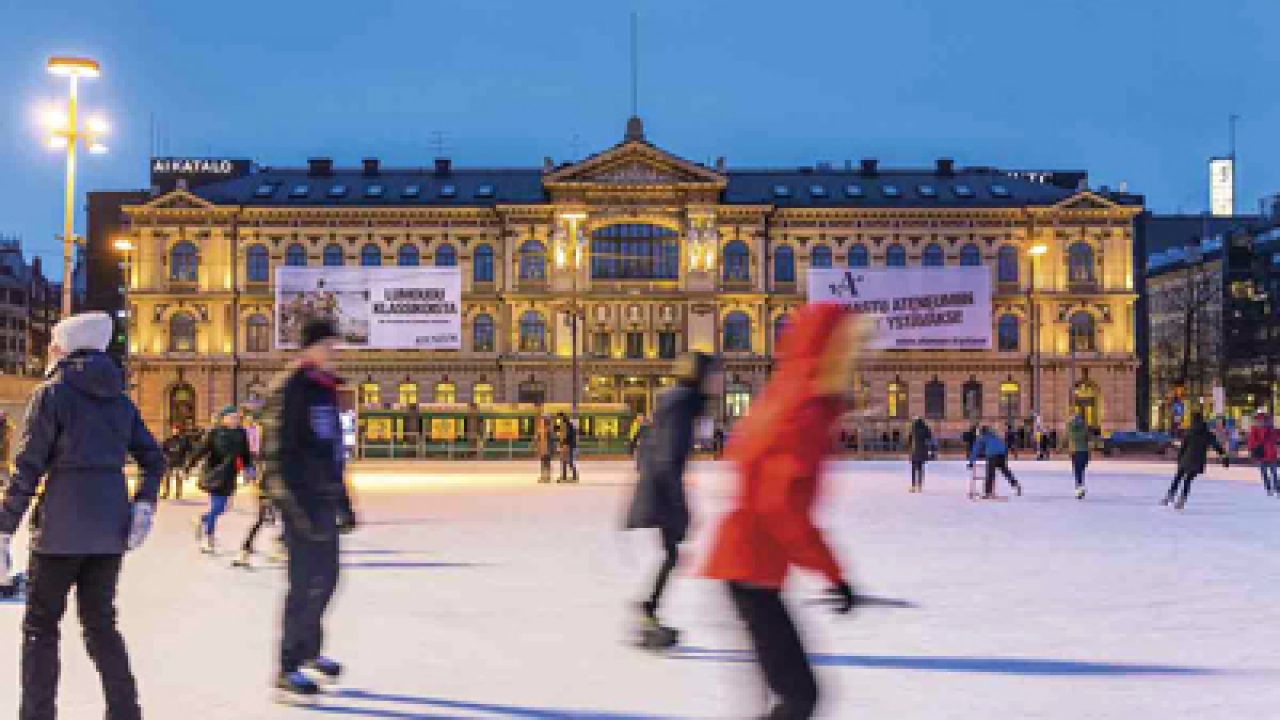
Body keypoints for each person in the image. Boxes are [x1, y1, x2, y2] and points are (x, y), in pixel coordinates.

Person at [704, 304, 867, 720]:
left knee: (788, 695)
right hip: (750, 566)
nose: (856, 359)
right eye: (850, 348)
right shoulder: (804, 412)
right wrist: (833, 574)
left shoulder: (788, 396)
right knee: (798, 697)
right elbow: (782, 507)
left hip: (748, 565)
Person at [0, 311, 165, 720]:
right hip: (109, 530)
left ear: (64, 347)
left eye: (54, 343)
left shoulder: (52, 394)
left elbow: (28, 468)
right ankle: (125, 712)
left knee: (41, 628)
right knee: (101, 624)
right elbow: (153, 458)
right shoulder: (120, 401)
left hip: (59, 531)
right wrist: (143, 503)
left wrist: (4, 528)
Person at [261, 317, 358, 699]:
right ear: (311, 347)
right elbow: (276, 453)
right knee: (304, 584)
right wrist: (291, 504)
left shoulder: (324, 388)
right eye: (328, 345)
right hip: (300, 500)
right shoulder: (291, 388)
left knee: (328, 579)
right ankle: (287, 667)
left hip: (323, 499)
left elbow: (331, 450)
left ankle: (310, 651)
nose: (334, 352)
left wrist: (343, 501)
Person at [625, 352, 715, 649]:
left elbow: (651, 453)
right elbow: (668, 459)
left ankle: (648, 611)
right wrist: (678, 506)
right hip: (661, 492)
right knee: (672, 555)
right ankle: (647, 612)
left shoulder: (674, 403)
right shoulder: (682, 406)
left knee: (671, 555)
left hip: (656, 489)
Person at [187, 406, 254, 554]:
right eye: (232, 417)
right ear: (224, 419)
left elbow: (245, 453)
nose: (235, 420)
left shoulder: (241, 433)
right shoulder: (214, 433)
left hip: (230, 474)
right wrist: (189, 465)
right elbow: (201, 450)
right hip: (215, 474)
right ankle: (208, 538)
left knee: (224, 508)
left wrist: (249, 468)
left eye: (237, 417)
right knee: (217, 507)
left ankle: (202, 519)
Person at [1164, 412, 1228, 510]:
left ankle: (1170, 495)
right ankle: (1182, 500)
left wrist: (1179, 459)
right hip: (1198, 461)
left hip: (1186, 459)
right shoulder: (1207, 433)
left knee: (1178, 477)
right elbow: (1217, 446)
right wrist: (1224, 456)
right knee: (1188, 480)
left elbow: (1183, 447)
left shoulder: (1189, 432)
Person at [969, 425, 1022, 499]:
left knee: (990, 473)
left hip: (992, 455)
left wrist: (971, 462)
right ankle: (1015, 484)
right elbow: (1004, 445)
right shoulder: (995, 436)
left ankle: (988, 492)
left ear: (982, 432)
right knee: (1005, 471)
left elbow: (975, 450)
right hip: (1001, 455)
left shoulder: (982, 437)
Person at [1247, 411, 1280, 496]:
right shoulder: (1257, 429)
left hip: (1265, 454)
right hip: (1265, 453)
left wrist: (1252, 450)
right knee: (1271, 472)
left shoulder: (1270, 428)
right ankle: (1273, 488)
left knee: (1270, 472)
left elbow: (1251, 441)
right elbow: (1251, 441)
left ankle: (1273, 488)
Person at [160, 424, 191, 500]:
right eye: (174, 429)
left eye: (177, 429)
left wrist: (187, 461)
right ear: (172, 431)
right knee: (166, 477)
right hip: (169, 462)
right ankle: (166, 493)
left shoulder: (183, 441)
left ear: (179, 431)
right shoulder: (168, 441)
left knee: (179, 477)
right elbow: (163, 451)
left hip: (180, 462)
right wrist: (165, 458)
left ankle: (178, 493)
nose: (175, 431)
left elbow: (189, 451)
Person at [1066, 412, 1090, 499]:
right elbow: (1088, 438)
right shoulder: (1084, 428)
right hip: (1084, 451)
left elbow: (1069, 435)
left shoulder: (1072, 429)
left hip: (1076, 451)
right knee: (1081, 470)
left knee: (1077, 470)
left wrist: (1070, 422)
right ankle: (1080, 487)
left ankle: (1079, 487)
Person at [906, 417, 933, 493]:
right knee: (920, 468)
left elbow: (909, 438)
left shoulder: (913, 427)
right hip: (922, 451)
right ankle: (920, 486)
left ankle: (913, 486)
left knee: (913, 469)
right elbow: (929, 437)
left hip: (914, 451)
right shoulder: (925, 428)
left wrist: (909, 446)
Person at [558, 412, 579, 483]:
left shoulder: (567, 426)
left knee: (569, 461)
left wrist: (564, 444)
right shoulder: (568, 425)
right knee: (565, 461)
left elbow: (568, 436)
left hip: (569, 446)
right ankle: (566, 476)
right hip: (569, 445)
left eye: (560, 419)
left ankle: (573, 477)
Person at [534, 415, 555, 483]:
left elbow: (538, 439)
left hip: (546, 449)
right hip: (546, 449)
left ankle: (545, 477)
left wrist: (538, 446)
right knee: (546, 463)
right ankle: (546, 476)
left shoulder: (545, 430)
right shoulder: (549, 430)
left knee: (544, 463)